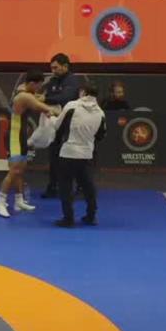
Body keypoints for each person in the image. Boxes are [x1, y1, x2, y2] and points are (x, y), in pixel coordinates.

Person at [0, 72, 59, 218]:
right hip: (14, 137)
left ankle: (19, 201)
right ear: (31, 83)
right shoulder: (24, 96)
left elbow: (38, 98)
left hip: (21, 135)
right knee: (14, 171)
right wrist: (59, 111)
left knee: (21, 170)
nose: (39, 89)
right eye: (38, 86)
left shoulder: (24, 90)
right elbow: (44, 107)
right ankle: (0, 201)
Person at [53, 83, 106, 227]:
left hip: (68, 152)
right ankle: (91, 216)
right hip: (86, 154)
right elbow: (100, 135)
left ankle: (68, 219)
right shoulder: (101, 113)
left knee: (66, 187)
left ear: (83, 92)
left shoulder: (71, 106)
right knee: (88, 186)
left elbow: (58, 126)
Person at [41, 53, 81, 198]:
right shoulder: (53, 81)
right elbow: (43, 95)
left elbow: (66, 98)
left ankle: (80, 188)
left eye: (56, 68)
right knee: (54, 156)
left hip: (71, 126)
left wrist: (45, 98)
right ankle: (53, 186)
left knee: (72, 159)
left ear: (65, 66)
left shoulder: (72, 81)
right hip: (56, 126)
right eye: (51, 68)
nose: (53, 71)